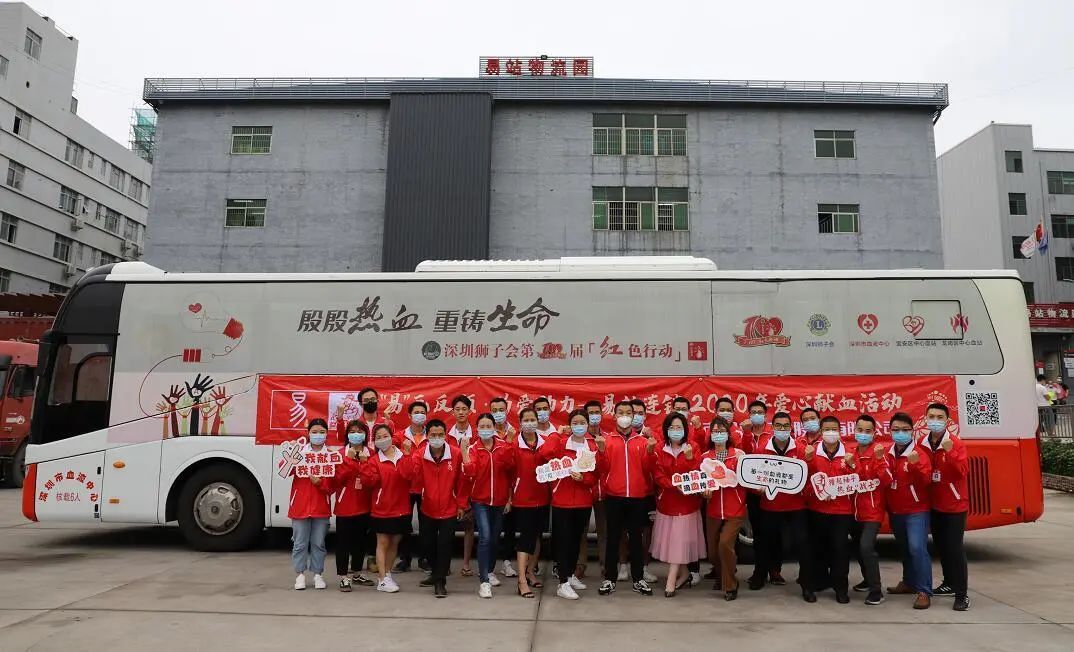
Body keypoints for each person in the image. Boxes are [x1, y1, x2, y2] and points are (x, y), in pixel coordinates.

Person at [750, 411, 816, 602]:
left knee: (803, 544)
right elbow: (753, 477)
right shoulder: (762, 449)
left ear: (791, 428)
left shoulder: (801, 449)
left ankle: (807, 585)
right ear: (772, 427)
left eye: (786, 426)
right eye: (778, 425)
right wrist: (757, 490)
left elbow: (812, 476)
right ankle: (759, 575)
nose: (782, 429)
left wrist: (810, 461)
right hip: (770, 505)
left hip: (796, 506)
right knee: (763, 543)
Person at [597, 400, 657, 596]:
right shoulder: (607, 440)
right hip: (614, 496)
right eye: (621, 412)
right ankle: (609, 578)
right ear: (614, 416)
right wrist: (601, 451)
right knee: (613, 538)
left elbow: (648, 469)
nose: (624, 416)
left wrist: (650, 452)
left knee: (636, 539)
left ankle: (638, 579)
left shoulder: (642, 441)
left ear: (633, 416)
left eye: (628, 413)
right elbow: (602, 469)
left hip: (637, 496)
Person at [544, 409, 604, 599]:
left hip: (583, 501)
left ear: (588, 424)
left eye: (582, 422)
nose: (579, 426)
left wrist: (583, 479)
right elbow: (545, 453)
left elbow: (598, 473)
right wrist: (556, 434)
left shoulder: (592, 446)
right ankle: (562, 583)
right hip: (562, 501)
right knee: (563, 541)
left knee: (576, 540)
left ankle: (570, 575)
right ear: (570, 425)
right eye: (575, 423)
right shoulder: (561, 443)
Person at [410, 419, 468, 598]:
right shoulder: (419, 454)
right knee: (427, 544)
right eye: (433, 435)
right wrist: (407, 457)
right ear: (427, 436)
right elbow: (412, 477)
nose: (437, 438)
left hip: (449, 508)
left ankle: (440, 581)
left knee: (445, 545)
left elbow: (462, 482)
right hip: (428, 507)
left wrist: (462, 505)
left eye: (440, 434)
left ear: (445, 435)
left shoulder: (455, 453)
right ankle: (435, 574)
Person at [650, 413, 705, 597]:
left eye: (679, 427)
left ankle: (671, 580)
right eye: (672, 427)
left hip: (687, 503)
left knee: (679, 541)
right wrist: (675, 486)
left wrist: (689, 459)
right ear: (666, 430)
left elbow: (697, 473)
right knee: (672, 542)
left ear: (685, 429)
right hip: (667, 501)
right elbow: (658, 474)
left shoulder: (693, 447)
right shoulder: (660, 448)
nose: (675, 431)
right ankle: (685, 573)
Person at [464, 412, 517, 598]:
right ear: (477, 429)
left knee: (494, 538)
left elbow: (510, 468)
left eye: (489, 426)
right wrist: (463, 452)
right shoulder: (473, 448)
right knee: (485, 537)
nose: (485, 429)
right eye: (482, 426)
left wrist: (509, 498)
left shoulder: (503, 445)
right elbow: (470, 472)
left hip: (500, 500)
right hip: (480, 500)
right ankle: (484, 581)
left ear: (495, 428)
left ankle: (490, 570)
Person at [923, 403, 971, 611]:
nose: (935, 420)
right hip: (934, 505)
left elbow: (962, 471)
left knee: (954, 549)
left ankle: (961, 595)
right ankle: (948, 583)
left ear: (947, 420)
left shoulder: (955, 443)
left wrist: (950, 452)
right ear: (925, 418)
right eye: (931, 416)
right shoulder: (923, 443)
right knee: (941, 547)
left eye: (939, 417)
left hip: (954, 506)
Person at [359, 423, 416, 593]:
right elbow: (369, 482)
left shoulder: (403, 455)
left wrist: (407, 455)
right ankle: (382, 579)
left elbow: (409, 475)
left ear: (392, 437)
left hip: (401, 507)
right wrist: (364, 464)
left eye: (385, 436)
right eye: (378, 437)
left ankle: (388, 574)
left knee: (395, 541)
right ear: (374, 441)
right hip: (382, 507)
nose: (382, 439)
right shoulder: (374, 460)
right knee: (383, 541)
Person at [884, 412, 933, 609]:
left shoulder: (919, 453)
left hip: (916, 510)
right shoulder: (887, 453)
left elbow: (926, 480)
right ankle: (909, 582)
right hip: (896, 510)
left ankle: (924, 591)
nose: (900, 433)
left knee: (917, 548)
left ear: (912, 431)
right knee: (904, 548)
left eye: (905, 430)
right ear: (890, 431)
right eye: (896, 430)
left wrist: (915, 465)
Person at [804, 416, 854, 603]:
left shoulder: (849, 453)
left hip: (842, 511)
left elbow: (857, 481)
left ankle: (840, 588)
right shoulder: (812, 452)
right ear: (820, 432)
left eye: (834, 429)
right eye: (826, 429)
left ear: (840, 431)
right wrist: (817, 491)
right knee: (815, 549)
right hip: (817, 509)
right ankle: (812, 585)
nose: (830, 433)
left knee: (840, 550)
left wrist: (852, 466)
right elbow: (804, 480)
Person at [701, 416, 747, 600]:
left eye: (722, 431)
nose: (718, 434)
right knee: (713, 552)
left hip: (734, 508)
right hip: (713, 509)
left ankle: (730, 586)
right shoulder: (705, 458)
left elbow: (747, 479)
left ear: (728, 434)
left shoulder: (738, 455)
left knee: (725, 544)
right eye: (715, 431)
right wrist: (703, 492)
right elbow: (700, 481)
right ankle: (722, 575)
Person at [848, 414, 891, 605]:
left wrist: (880, 460)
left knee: (866, 547)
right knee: (858, 548)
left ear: (874, 433)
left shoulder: (879, 453)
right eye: (860, 430)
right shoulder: (850, 452)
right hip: (852, 510)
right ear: (854, 430)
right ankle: (867, 579)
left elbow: (887, 479)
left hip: (873, 511)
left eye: (868, 431)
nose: (863, 434)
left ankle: (876, 591)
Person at [289, 419, 335, 591]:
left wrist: (320, 483)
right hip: (300, 507)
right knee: (299, 543)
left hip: (320, 507)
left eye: (322, 432)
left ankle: (317, 574)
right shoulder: (299, 452)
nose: (318, 435)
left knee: (318, 543)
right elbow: (284, 470)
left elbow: (332, 486)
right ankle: (300, 574)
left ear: (327, 434)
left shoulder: (330, 456)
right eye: (314, 432)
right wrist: (291, 457)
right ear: (308, 433)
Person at [511, 407, 552, 598]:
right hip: (523, 499)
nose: (529, 423)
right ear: (520, 423)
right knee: (526, 538)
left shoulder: (545, 442)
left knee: (537, 536)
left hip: (543, 497)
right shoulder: (514, 444)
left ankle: (530, 572)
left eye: (532, 419)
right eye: (525, 420)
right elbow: (508, 470)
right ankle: (521, 581)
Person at [742, 400, 783, 588]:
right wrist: (746, 434)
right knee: (758, 534)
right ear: (749, 415)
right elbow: (743, 458)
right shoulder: (744, 433)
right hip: (753, 492)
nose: (757, 415)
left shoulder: (774, 433)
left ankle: (775, 570)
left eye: (760, 412)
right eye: (753, 412)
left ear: (766, 415)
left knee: (775, 532)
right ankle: (759, 572)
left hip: (773, 491)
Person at [333, 420, 375, 591]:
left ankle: (357, 573)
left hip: (364, 505)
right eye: (352, 431)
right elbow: (338, 479)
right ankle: (344, 577)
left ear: (365, 435)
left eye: (359, 431)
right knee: (343, 543)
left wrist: (363, 462)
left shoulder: (371, 454)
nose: (356, 434)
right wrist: (349, 460)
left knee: (360, 542)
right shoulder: (340, 454)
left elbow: (371, 480)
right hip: (345, 506)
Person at [394, 401, 429, 574]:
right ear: (409, 415)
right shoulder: (399, 436)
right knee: (404, 525)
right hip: (404, 487)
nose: (419, 415)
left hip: (425, 487)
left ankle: (424, 559)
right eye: (416, 412)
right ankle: (404, 559)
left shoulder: (432, 436)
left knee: (426, 525)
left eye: (422, 412)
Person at [446, 394, 477, 577]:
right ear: (452, 412)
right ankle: (446, 563)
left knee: (469, 526)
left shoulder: (476, 434)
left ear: (470, 411)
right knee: (448, 527)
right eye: (457, 409)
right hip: (451, 485)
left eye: (464, 409)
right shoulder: (447, 435)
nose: (461, 412)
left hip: (471, 484)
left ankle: (466, 564)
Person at [629, 398, 659, 585]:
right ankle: (623, 565)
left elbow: (658, 459)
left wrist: (651, 439)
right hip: (626, 492)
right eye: (633, 413)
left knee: (646, 530)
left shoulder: (652, 436)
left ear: (645, 416)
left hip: (648, 492)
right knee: (625, 529)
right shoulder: (623, 436)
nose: (636, 417)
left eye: (640, 413)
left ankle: (644, 567)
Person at [578, 399, 607, 580]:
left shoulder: (608, 438)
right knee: (580, 531)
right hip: (584, 491)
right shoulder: (579, 439)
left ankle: (606, 565)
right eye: (591, 413)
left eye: (597, 412)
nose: (594, 416)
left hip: (604, 492)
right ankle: (580, 565)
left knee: (605, 531)